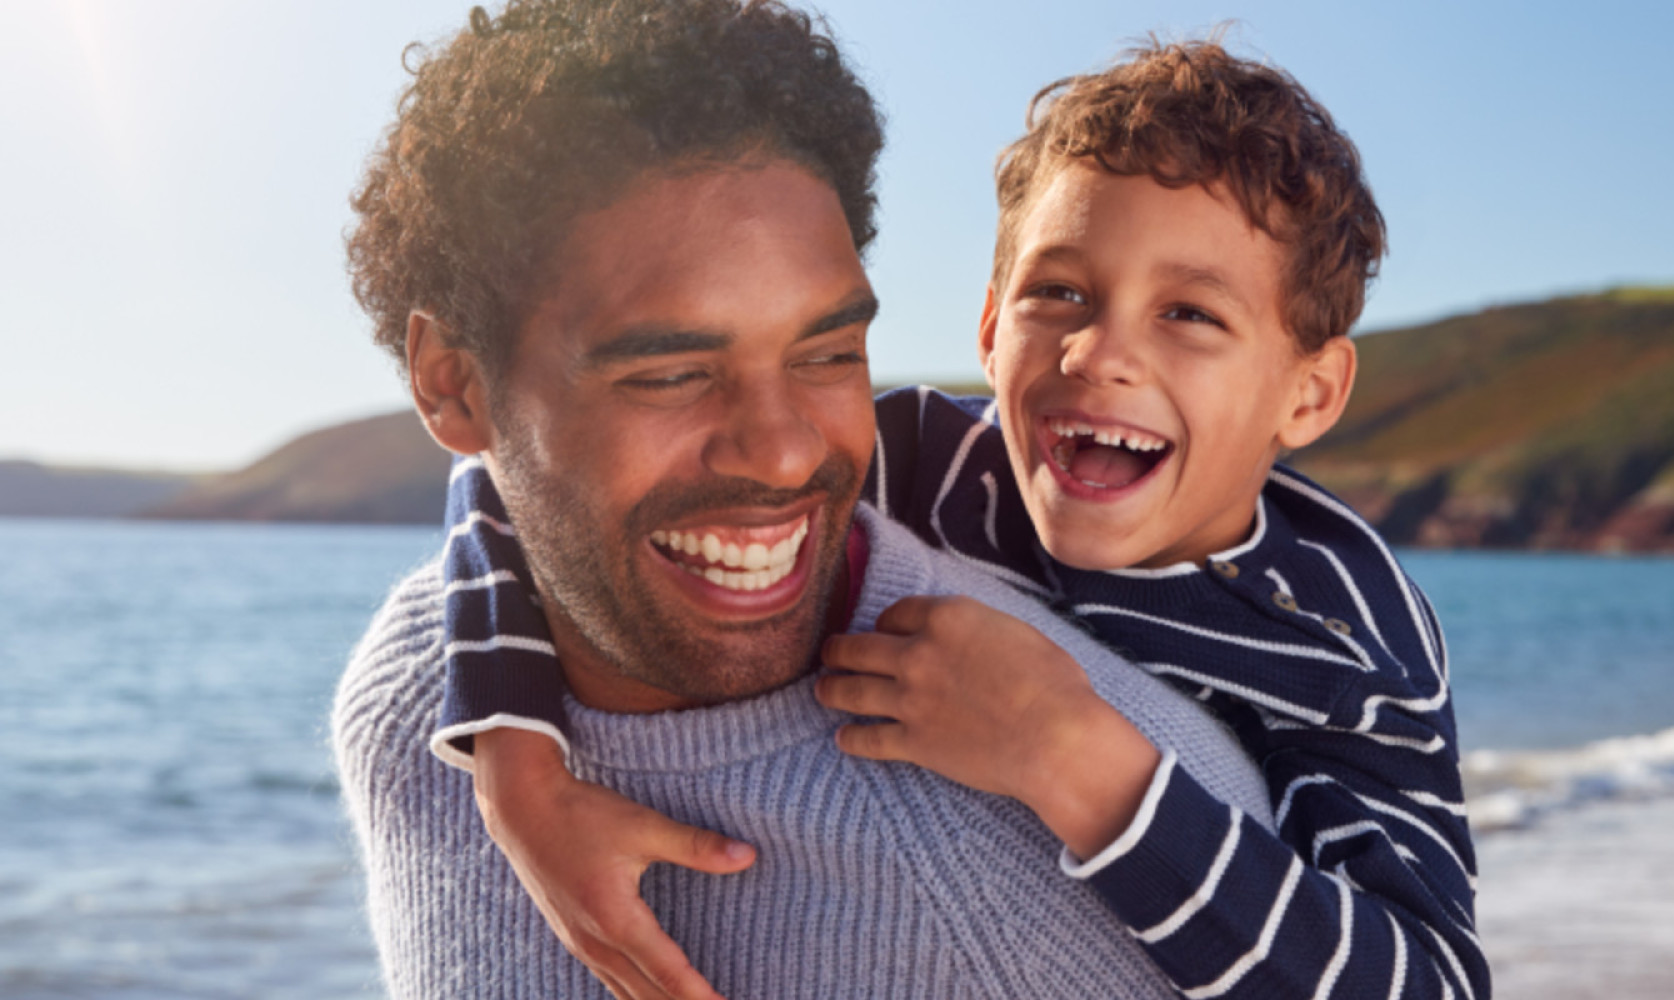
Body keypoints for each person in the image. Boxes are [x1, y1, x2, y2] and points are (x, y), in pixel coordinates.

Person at [449, 34, 1490, 1000]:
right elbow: (522, 471)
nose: (1097, 354)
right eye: (1060, 295)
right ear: (990, 326)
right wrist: (517, 767)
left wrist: (1075, 759)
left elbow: (1428, 978)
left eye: (1189, 314)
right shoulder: (916, 457)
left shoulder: (1341, 638)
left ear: (1306, 395)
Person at [330, 1, 1279, 997]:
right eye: (669, 373)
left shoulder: (1081, 821)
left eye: (826, 355)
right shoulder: (410, 703)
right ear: (453, 386)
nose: (784, 454)